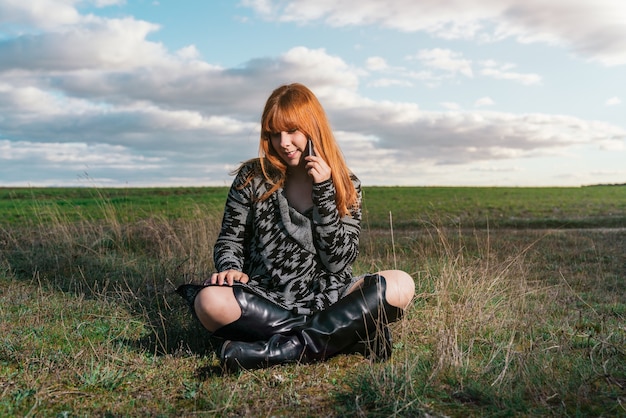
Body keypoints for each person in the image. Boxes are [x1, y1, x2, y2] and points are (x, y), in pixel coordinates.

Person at [177, 83, 415, 371]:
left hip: (331, 296)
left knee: (401, 284)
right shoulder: (253, 177)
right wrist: (229, 266)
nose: (284, 142)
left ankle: (279, 351)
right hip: (266, 295)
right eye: (274, 133)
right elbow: (230, 239)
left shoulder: (346, 184)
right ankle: (346, 337)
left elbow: (338, 264)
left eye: (292, 131)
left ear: (313, 129)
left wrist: (324, 191)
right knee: (209, 301)